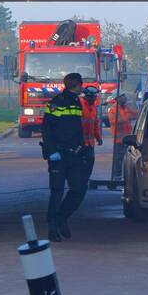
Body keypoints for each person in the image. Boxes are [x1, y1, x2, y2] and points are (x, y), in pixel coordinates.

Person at [43, 72, 96, 242]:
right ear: (78, 85)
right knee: (57, 191)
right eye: (81, 85)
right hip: (58, 153)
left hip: (75, 154)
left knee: (79, 188)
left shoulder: (79, 102)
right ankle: (52, 227)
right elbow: (47, 129)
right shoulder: (56, 103)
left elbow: (84, 126)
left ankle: (62, 217)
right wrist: (52, 151)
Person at [108, 93, 136, 180]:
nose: (125, 98)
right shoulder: (113, 109)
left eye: (125, 96)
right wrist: (128, 117)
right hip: (119, 140)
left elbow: (136, 115)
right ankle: (117, 178)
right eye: (123, 96)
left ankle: (126, 178)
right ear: (118, 98)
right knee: (119, 160)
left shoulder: (127, 107)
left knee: (129, 160)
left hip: (129, 139)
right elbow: (113, 121)